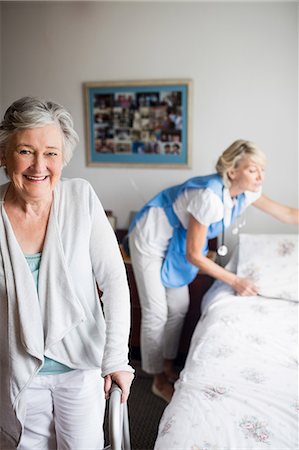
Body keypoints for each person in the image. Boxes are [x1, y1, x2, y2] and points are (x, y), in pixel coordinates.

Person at [0, 96, 134, 450]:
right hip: (16, 376)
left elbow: (115, 282)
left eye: (51, 153)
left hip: (80, 370)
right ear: (3, 155)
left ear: (63, 157)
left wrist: (116, 358)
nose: (39, 166)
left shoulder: (81, 198)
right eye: (26, 151)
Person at [128, 139, 299, 403]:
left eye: (262, 170)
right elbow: (194, 255)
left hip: (175, 240)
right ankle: (156, 378)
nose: (260, 176)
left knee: (180, 306)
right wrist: (236, 281)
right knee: (157, 311)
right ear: (232, 172)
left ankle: (168, 365)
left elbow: (287, 214)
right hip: (151, 237)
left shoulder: (246, 193)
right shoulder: (209, 197)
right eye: (253, 170)